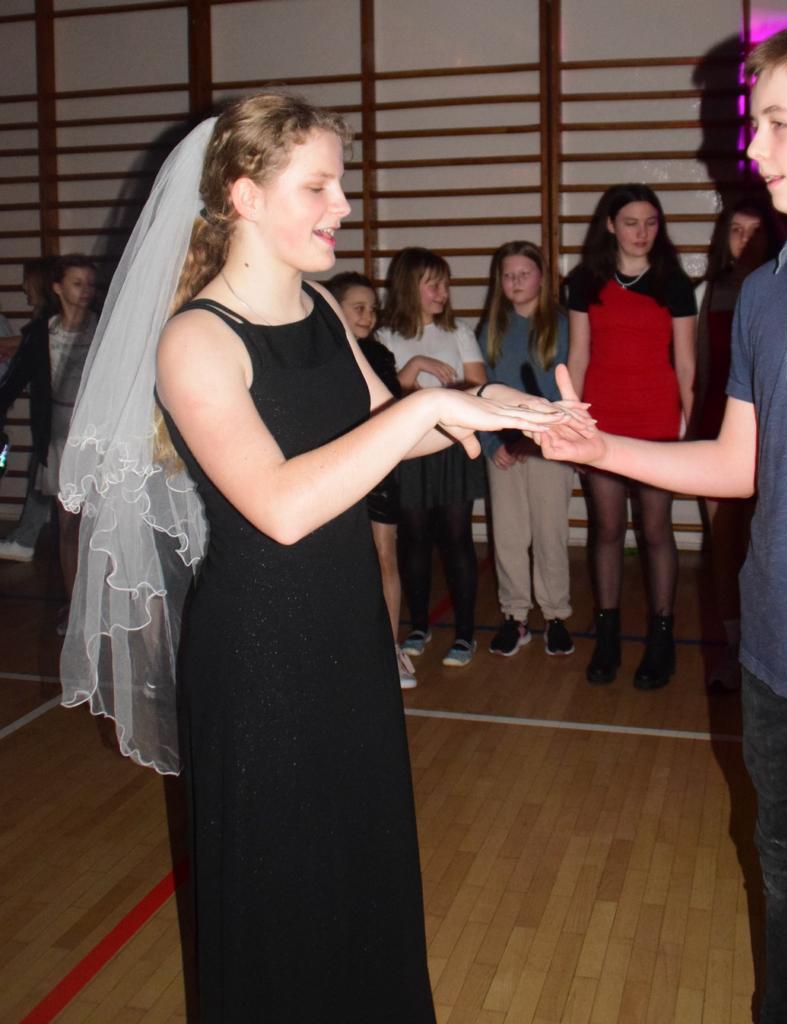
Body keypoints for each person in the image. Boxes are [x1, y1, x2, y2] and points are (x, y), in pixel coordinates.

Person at [57, 94, 582, 1023]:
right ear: (244, 195)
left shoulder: (319, 309)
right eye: (319, 186)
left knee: (360, 870)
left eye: (340, 184)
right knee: (280, 899)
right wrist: (428, 410)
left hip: (348, 633)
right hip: (262, 654)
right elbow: (282, 507)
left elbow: (388, 427)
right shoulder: (195, 340)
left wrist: (502, 407)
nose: (343, 205)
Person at [535, 16, 787, 1021]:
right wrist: (601, 449)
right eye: (755, 124)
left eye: (777, 123)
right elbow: (737, 463)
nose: (751, 147)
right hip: (779, 655)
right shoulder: (763, 288)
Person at [566, 184, 696, 688]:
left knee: (656, 530)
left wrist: (692, 431)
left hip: (657, 421)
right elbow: (579, 356)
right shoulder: (584, 281)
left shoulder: (674, 283)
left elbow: (686, 365)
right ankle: (608, 639)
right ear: (610, 225)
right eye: (631, 222)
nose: (642, 232)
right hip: (602, 420)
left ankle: (662, 641)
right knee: (606, 529)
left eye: (651, 222)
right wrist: (572, 421)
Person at [376, 246, 488, 668]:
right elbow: (385, 396)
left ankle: (465, 634)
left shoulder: (459, 331)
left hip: (454, 447)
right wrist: (418, 369)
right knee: (415, 538)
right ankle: (419, 626)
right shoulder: (386, 337)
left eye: (445, 284)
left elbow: (478, 386)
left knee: (457, 537)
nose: (443, 293)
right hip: (407, 449)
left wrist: (440, 399)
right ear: (410, 287)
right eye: (433, 285)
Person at [693, 197, 782, 691]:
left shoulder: (785, 284)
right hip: (719, 422)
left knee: (767, 545)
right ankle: (734, 649)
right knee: (724, 547)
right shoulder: (712, 291)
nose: (745, 240)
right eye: (736, 230)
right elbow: (703, 367)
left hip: (774, 428)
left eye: (755, 230)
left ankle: (770, 651)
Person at [477, 240, 575, 657]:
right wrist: (492, 442)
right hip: (502, 448)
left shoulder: (563, 326)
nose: (516, 282)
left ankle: (555, 615)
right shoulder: (490, 329)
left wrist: (533, 438)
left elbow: (564, 391)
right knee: (509, 535)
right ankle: (514, 616)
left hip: (549, 446)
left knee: (550, 532)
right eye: (508, 275)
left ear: (542, 278)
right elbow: (478, 391)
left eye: (524, 274)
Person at [326, 270, 416, 688]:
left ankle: (389, 648)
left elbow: (391, 411)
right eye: (358, 308)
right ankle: (342, 648)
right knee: (337, 559)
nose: (368, 315)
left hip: (378, 466)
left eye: (372, 309)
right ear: (335, 309)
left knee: (384, 555)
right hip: (334, 467)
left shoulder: (379, 355)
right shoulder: (320, 353)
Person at [0, 256, 97, 631]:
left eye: (90, 284)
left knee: (97, 526)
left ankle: (103, 606)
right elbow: (14, 381)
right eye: (77, 283)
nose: (85, 291)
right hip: (59, 438)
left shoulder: (104, 328)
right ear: (57, 288)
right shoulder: (42, 333)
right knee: (68, 527)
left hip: (98, 438)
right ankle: (75, 607)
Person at [0, 259, 60, 562]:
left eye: (28, 280)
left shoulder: (50, 325)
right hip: (49, 414)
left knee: (44, 472)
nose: (23, 286)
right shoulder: (43, 326)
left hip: (57, 414)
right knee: (43, 473)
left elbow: (23, 352)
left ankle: (25, 539)